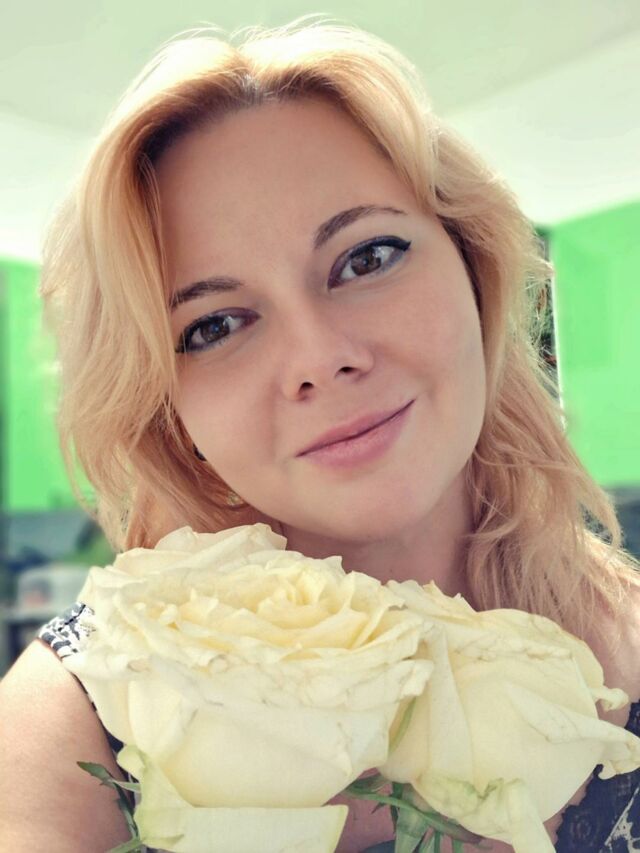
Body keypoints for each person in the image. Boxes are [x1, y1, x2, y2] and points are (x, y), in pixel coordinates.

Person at [1, 20, 639, 853]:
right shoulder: (79, 716)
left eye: (367, 257)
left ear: (473, 265)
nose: (319, 357)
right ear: (167, 410)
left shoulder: (627, 631)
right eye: (215, 324)